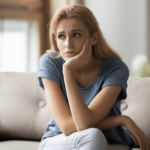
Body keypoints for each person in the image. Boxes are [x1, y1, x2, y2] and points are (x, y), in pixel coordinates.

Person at [37, 4, 150, 150]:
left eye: (76, 34)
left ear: (94, 38)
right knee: (93, 136)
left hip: (110, 142)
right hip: (60, 140)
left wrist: (68, 71)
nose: (67, 44)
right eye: (61, 36)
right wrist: (120, 120)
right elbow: (67, 126)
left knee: (94, 136)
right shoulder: (49, 62)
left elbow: (84, 123)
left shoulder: (115, 69)